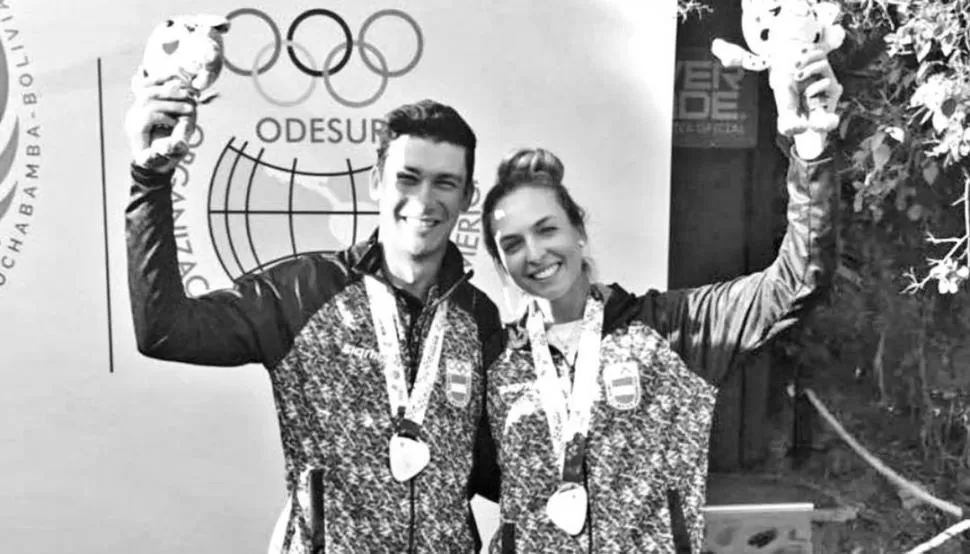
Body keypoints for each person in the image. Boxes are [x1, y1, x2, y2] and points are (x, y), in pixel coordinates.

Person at [479, 48, 841, 553]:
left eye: (547, 229)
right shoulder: (494, 363)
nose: (535, 253)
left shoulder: (672, 329)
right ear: (501, 265)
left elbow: (797, 280)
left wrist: (809, 149)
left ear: (579, 232)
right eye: (512, 244)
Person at [124, 80, 503, 552]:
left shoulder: (477, 316)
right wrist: (150, 179)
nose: (425, 200)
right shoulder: (303, 292)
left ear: (468, 196)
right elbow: (166, 331)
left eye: (445, 182)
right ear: (375, 182)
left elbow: (498, 469)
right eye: (408, 177)